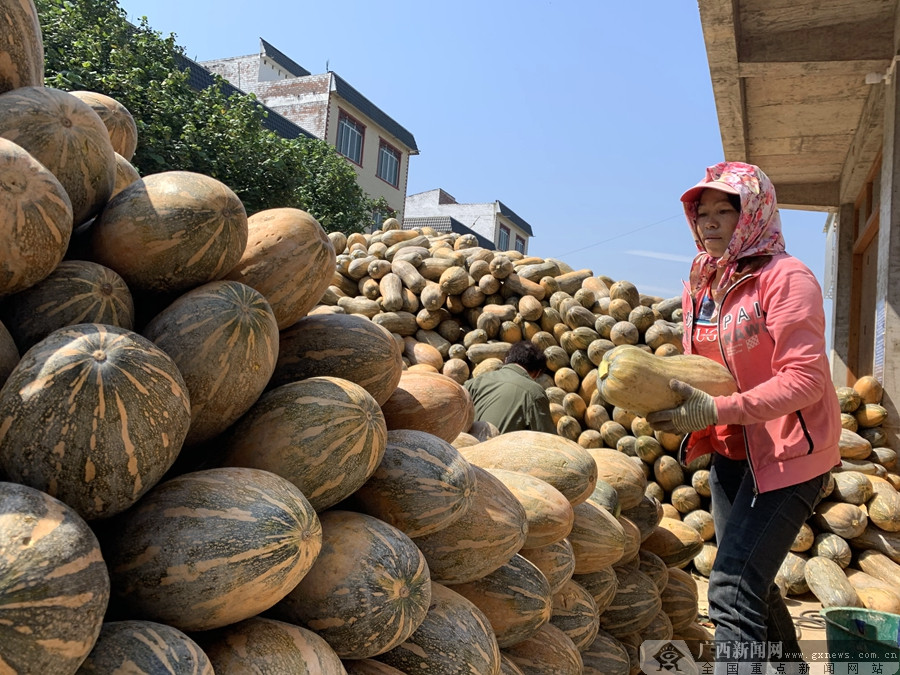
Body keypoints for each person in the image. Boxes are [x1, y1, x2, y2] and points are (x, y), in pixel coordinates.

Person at [645, 161, 841, 674]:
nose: (708, 223)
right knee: (752, 582)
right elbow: (707, 368)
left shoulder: (787, 278)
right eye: (700, 213)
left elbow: (805, 380)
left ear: (752, 212)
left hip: (788, 454)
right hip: (733, 452)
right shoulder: (702, 282)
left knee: (731, 588)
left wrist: (717, 408)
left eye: (722, 211)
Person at [463, 340, 556, 434]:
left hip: (459, 447)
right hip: (496, 448)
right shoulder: (534, 392)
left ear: (506, 360)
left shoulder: (474, 382)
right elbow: (545, 438)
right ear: (537, 373)